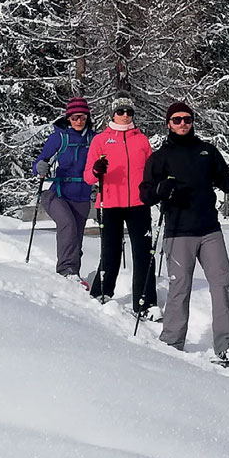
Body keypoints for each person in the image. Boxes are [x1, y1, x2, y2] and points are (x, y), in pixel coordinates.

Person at [139, 101, 229, 361]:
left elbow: (223, 179)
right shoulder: (161, 157)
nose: (183, 124)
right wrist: (160, 190)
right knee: (180, 288)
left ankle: (226, 344)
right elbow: (145, 193)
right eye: (177, 120)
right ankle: (171, 342)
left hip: (209, 229)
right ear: (168, 123)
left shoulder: (207, 151)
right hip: (178, 231)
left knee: (222, 283)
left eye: (187, 119)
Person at [82, 97, 156, 318]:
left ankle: (145, 303)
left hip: (139, 204)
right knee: (110, 251)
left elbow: (152, 170)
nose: (125, 115)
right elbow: (87, 176)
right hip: (110, 202)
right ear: (112, 113)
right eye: (121, 111)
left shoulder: (142, 140)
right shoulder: (101, 140)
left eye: (129, 111)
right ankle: (101, 293)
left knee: (143, 254)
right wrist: (96, 170)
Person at [32, 97, 97, 281]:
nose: (78, 121)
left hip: (82, 194)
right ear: (68, 118)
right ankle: (66, 270)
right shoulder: (59, 137)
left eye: (82, 117)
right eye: (75, 117)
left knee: (76, 236)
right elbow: (39, 161)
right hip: (57, 193)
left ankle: (73, 274)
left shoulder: (94, 139)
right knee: (67, 224)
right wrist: (40, 167)